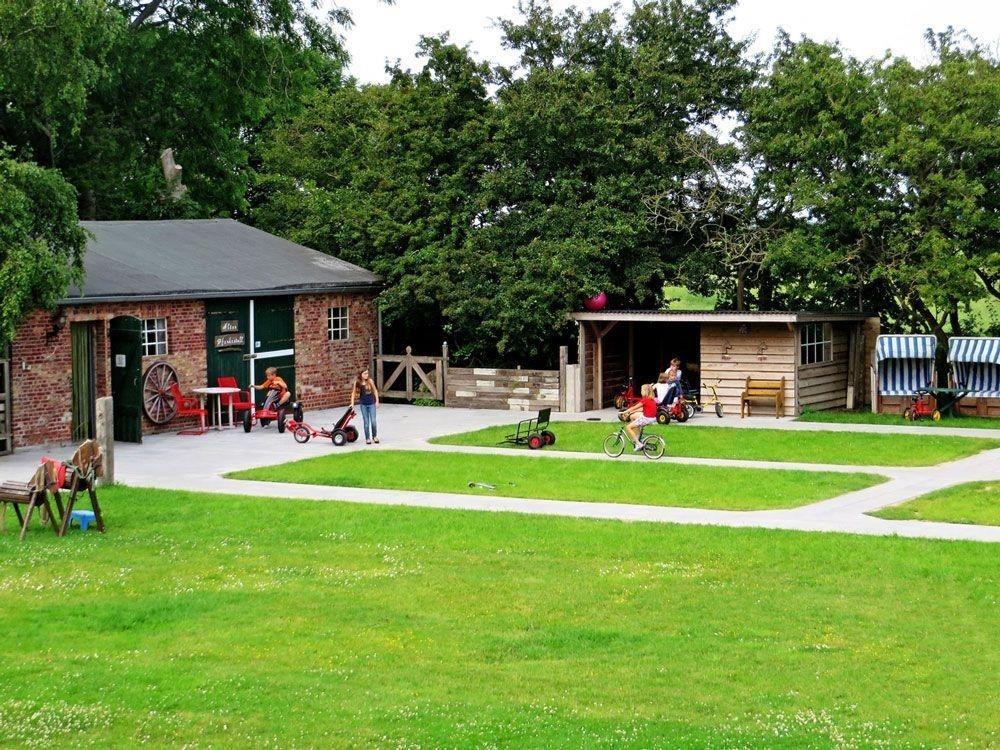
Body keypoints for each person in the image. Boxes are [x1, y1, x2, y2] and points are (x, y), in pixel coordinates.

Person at [621, 383, 658, 451]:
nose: (640, 391)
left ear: (645, 391)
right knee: (633, 416)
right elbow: (641, 409)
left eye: (641, 390)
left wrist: (624, 412)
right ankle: (637, 436)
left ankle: (638, 444)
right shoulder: (651, 399)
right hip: (651, 418)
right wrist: (630, 412)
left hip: (646, 419)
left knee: (628, 427)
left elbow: (634, 407)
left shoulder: (645, 400)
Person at [350, 368, 380, 444]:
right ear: (361, 374)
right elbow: (353, 393)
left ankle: (374, 436)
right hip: (363, 405)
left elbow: (375, 391)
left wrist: (377, 401)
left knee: (373, 421)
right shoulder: (357, 382)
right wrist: (352, 403)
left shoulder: (370, 381)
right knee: (366, 423)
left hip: (371, 404)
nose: (367, 375)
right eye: (365, 373)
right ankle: (367, 438)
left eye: (367, 373)